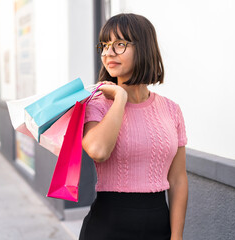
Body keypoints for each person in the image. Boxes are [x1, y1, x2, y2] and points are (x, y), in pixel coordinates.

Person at [80, 13, 188, 240]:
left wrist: (176, 236)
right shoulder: (97, 105)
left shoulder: (171, 110)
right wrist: (119, 98)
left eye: (119, 44)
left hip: (159, 227)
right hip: (107, 228)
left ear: (144, 48)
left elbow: (178, 179)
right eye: (105, 45)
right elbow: (98, 151)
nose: (108, 53)